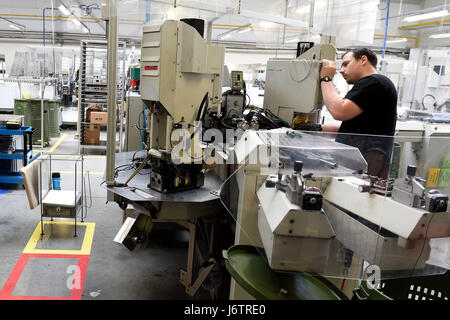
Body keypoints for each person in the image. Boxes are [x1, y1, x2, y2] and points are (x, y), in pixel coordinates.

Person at [319, 48, 398, 178]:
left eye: (346, 64)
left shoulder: (373, 82)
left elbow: (339, 111)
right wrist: (315, 128)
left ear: (363, 59)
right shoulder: (375, 84)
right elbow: (356, 130)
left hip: (365, 170)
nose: (342, 70)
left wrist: (326, 78)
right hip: (360, 166)